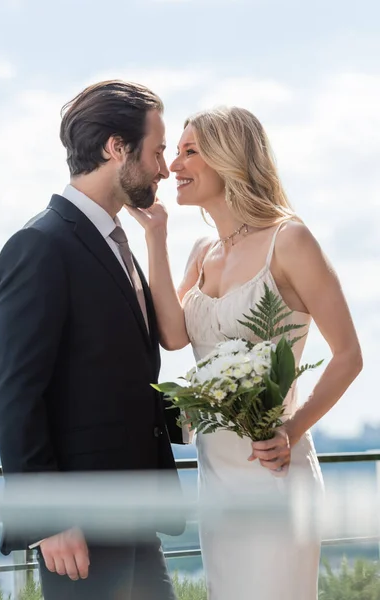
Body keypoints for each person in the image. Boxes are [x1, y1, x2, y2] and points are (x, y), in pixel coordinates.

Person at [126, 106, 363, 599]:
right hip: (216, 477)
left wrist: (291, 430)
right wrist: (156, 235)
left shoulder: (290, 241)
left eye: (190, 151)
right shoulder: (201, 251)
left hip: (274, 471)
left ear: (228, 159)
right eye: (175, 151)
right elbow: (172, 336)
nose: (173, 166)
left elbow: (348, 355)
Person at [0, 80, 184, 600]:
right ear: (115, 148)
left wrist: (202, 418)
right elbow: (15, 393)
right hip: (79, 530)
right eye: (158, 150)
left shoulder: (116, 243)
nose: (165, 168)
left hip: (135, 515)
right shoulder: (40, 245)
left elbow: (109, 378)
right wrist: (50, 517)